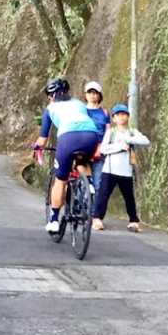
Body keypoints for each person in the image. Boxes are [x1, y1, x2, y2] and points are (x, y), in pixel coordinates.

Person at [35, 78, 100, 233]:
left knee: (61, 181)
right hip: (91, 136)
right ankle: (89, 185)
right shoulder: (79, 104)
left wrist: (37, 148)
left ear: (52, 95)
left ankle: (54, 220)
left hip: (68, 138)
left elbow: (42, 140)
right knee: (82, 162)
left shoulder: (50, 108)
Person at [92, 103, 150, 232]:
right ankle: (97, 219)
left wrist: (128, 139)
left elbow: (145, 141)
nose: (121, 117)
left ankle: (133, 221)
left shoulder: (132, 132)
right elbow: (103, 149)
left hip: (126, 171)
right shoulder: (111, 132)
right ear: (113, 118)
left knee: (129, 197)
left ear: (128, 117)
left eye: (124, 114)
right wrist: (119, 147)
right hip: (109, 170)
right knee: (103, 195)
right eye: (118, 115)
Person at [83, 81, 110, 194]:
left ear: (99, 95)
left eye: (95, 93)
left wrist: (103, 147)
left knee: (98, 183)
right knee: (83, 181)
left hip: (100, 149)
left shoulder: (104, 112)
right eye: (89, 92)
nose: (92, 95)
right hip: (83, 147)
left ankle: (96, 205)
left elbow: (108, 131)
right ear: (85, 95)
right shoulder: (81, 110)